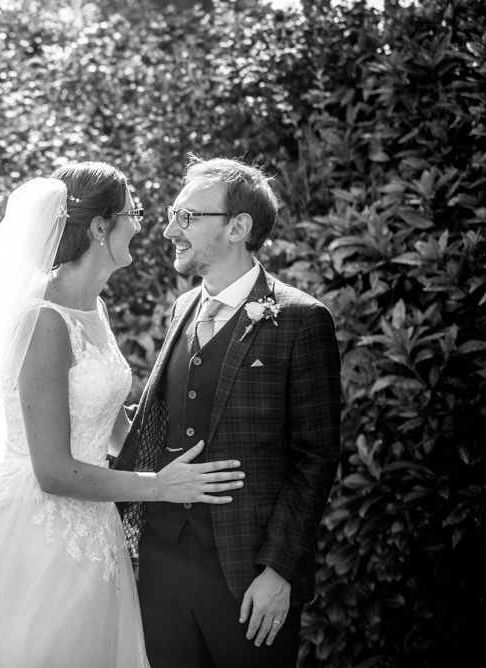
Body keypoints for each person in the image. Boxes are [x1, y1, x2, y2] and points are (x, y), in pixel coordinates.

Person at [0, 162, 246, 668]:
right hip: (40, 535)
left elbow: (112, 428)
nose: (143, 224)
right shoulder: (43, 321)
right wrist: (162, 485)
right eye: (133, 212)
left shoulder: (93, 309)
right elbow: (53, 471)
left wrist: (195, 456)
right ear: (100, 227)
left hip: (96, 530)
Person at [114, 155, 342, 667]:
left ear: (238, 227)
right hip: (160, 560)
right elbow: (158, 423)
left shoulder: (302, 320)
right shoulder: (182, 308)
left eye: (188, 216)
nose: (171, 228)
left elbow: (316, 458)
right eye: (174, 213)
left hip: (247, 576)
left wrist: (279, 571)